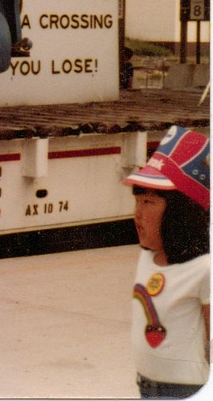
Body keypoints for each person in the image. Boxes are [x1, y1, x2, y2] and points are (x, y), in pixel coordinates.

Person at [124, 125, 210, 398]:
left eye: (148, 203)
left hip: (184, 391)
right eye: (137, 202)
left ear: (182, 212)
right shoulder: (146, 257)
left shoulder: (203, 268)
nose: (137, 214)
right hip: (146, 386)